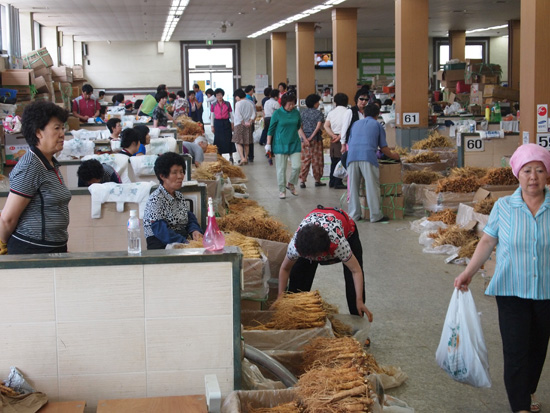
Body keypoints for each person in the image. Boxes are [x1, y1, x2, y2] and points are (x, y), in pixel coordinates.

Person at [454, 144, 550, 413]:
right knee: (516, 350)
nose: (533, 177)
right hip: (511, 290)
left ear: (547, 175)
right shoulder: (504, 207)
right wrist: (467, 272)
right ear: (517, 174)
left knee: (538, 350)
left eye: (539, 170)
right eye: (527, 170)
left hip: (546, 291)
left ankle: (527, 391)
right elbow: (487, 241)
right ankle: (519, 406)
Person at [0, 101, 71, 254]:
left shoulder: (50, 163)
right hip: (31, 249)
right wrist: (3, 244)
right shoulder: (30, 166)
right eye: (56, 128)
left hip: (53, 246)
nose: (62, 134)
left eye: (63, 128)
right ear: (38, 132)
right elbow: (8, 218)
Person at [277, 206, 372, 319]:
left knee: (353, 284)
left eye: (316, 257)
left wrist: (360, 300)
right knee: (298, 276)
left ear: (324, 252)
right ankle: (295, 316)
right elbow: (285, 269)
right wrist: (280, 297)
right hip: (311, 237)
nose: (314, 259)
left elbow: (356, 271)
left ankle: (357, 318)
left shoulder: (338, 244)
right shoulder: (296, 246)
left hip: (345, 227)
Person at [347, 103, 399, 223]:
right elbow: (384, 148)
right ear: (377, 115)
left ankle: (354, 215)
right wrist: (394, 156)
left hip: (352, 157)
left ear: (364, 113)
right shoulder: (377, 124)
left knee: (353, 188)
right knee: (371, 186)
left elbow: (350, 142)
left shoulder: (355, 124)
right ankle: (375, 215)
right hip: (367, 157)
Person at [143, 152, 203, 249]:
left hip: (181, 242)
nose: (180, 176)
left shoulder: (179, 196)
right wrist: (185, 243)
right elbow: (160, 231)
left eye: (181, 171)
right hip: (163, 247)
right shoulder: (156, 199)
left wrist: (194, 230)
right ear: (162, 176)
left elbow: (188, 217)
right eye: (174, 172)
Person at [266, 93, 306, 199]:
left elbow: (298, 127)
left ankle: (291, 184)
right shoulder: (277, 113)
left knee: (297, 166)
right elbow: (271, 129)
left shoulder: (296, 113)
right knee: (281, 169)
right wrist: (268, 144)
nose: (291, 106)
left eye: (293, 104)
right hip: (280, 144)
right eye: (289, 104)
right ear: (284, 104)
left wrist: (304, 139)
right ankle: (282, 190)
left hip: (294, 143)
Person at [299, 93, 325, 188]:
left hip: (304, 141)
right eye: (318, 102)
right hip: (316, 140)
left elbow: (299, 127)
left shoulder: (302, 113)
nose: (318, 103)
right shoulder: (319, 113)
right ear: (315, 103)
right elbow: (319, 127)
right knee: (317, 160)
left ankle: (302, 180)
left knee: (305, 159)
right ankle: (317, 180)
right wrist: (311, 137)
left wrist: (305, 139)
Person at [324, 92, 349, 189]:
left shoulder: (331, 112)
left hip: (333, 139)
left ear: (335, 102)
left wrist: (333, 135)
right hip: (343, 139)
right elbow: (347, 127)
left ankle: (332, 181)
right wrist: (339, 136)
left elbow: (326, 126)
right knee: (342, 161)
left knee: (334, 161)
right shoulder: (348, 112)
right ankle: (338, 182)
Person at [210, 88, 235, 163]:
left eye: (220, 95)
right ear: (216, 96)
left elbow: (231, 114)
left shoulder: (227, 103)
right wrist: (212, 126)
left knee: (229, 139)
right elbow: (212, 116)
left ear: (223, 95)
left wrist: (232, 124)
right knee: (218, 140)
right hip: (217, 123)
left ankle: (231, 156)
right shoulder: (213, 105)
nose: (219, 96)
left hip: (226, 122)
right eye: (217, 95)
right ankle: (219, 156)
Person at [232, 88, 256, 166]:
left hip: (239, 125)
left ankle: (242, 158)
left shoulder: (238, 103)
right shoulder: (250, 103)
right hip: (248, 125)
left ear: (238, 96)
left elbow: (238, 114)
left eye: (235, 96)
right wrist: (250, 121)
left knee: (239, 142)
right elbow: (253, 114)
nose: (235, 98)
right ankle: (246, 158)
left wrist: (242, 121)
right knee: (246, 143)